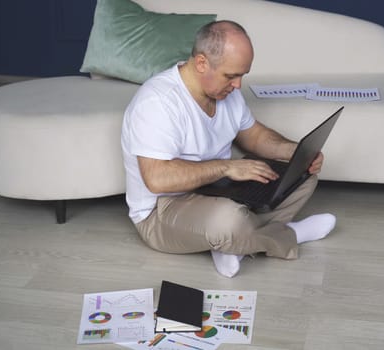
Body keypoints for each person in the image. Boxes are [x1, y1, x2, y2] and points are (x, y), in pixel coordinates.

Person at [121, 20, 336, 278]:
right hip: (161, 210)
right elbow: (157, 179)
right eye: (231, 76)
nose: (238, 85)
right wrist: (227, 167)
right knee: (229, 220)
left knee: (303, 176)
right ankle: (290, 234)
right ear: (202, 63)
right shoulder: (157, 102)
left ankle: (228, 243)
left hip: (217, 191)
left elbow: (254, 136)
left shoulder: (226, 94)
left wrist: (294, 153)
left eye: (242, 75)